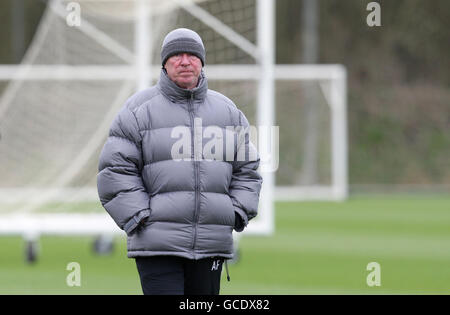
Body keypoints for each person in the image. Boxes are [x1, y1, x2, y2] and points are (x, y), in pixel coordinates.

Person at [97, 28, 262, 295]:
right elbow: (114, 171)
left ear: (201, 62)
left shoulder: (229, 112)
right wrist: (141, 218)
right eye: (176, 55)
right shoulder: (137, 111)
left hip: (211, 246)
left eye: (191, 55)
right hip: (158, 246)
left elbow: (248, 171)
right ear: (164, 63)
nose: (185, 61)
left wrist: (235, 212)